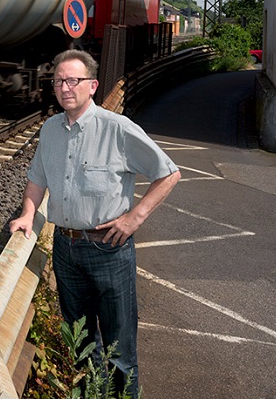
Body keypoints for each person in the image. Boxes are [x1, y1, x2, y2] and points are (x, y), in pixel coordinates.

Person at [10, 49, 180, 396]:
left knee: (120, 352)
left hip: (109, 250)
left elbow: (168, 173)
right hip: (66, 248)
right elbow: (37, 179)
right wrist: (28, 213)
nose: (65, 87)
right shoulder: (50, 129)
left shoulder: (117, 129)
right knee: (82, 346)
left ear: (92, 85)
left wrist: (135, 217)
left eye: (73, 80)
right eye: (58, 80)